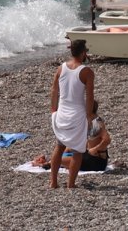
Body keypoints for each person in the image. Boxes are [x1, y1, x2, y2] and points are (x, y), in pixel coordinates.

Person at [49, 39, 94, 188]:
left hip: (62, 112)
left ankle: (53, 182)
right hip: (77, 115)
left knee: (59, 146)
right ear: (83, 53)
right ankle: (70, 184)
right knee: (77, 151)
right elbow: (89, 97)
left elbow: (54, 90)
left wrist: (53, 109)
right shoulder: (86, 72)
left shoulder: (61, 68)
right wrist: (89, 116)